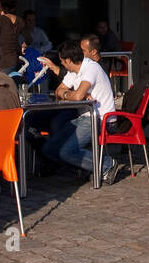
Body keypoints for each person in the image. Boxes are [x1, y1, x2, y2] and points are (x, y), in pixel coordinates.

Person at [41, 40, 120, 182]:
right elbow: (60, 91)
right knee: (48, 149)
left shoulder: (91, 68)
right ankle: (84, 167)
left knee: (67, 152)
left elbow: (77, 96)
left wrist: (71, 95)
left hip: (101, 118)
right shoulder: (73, 72)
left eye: (62, 61)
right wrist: (71, 95)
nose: (62, 65)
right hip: (84, 117)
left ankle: (107, 164)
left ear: (68, 60)